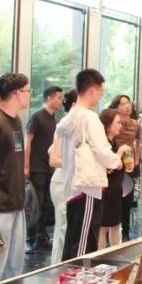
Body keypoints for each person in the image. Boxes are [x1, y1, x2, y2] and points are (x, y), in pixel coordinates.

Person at [57, 69, 126, 257]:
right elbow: (102, 150)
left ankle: (70, 274)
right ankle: (80, 275)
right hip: (86, 187)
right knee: (84, 244)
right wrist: (117, 161)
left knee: (74, 239)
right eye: (100, 92)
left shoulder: (70, 117)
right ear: (92, 90)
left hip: (73, 186)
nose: (100, 96)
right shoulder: (89, 117)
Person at [0, 73, 31, 281]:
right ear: (17, 94)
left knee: (14, 267)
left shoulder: (16, 120)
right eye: (28, 91)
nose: (29, 95)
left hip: (16, 203)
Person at [25, 86, 62, 252]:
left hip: (49, 166)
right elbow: (28, 141)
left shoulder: (54, 119)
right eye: (58, 98)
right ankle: (32, 238)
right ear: (49, 98)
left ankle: (42, 236)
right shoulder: (37, 116)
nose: (60, 101)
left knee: (46, 203)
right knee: (36, 203)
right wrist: (26, 165)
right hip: (36, 166)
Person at [48, 89, 78, 263]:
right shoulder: (64, 126)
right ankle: (55, 268)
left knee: (69, 230)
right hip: (61, 183)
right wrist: (78, 163)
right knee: (62, 229)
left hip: (73, 183)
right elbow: (54, 159)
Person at [108, 94, 141, 241]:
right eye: (123, 104)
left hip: (129, 164)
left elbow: (138, 143)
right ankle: (108, 232)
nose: (127, 106)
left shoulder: (136, 124)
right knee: (112, 199)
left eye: (128, 103)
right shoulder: (113, 124)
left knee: (127, 199)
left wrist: (137, 160)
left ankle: (126, 233)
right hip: (114, 164)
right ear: (116, 108)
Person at [98, 108, 127, 249]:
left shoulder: (114, 142)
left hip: (115, 189)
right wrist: (120, 154)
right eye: (117, 123)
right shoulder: (103, 144)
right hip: (105, 190)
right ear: (108, 126)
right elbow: (109, 166)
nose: (120, 126)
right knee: (103, 227)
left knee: (115, 225)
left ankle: (116, 253)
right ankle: (101, 257)